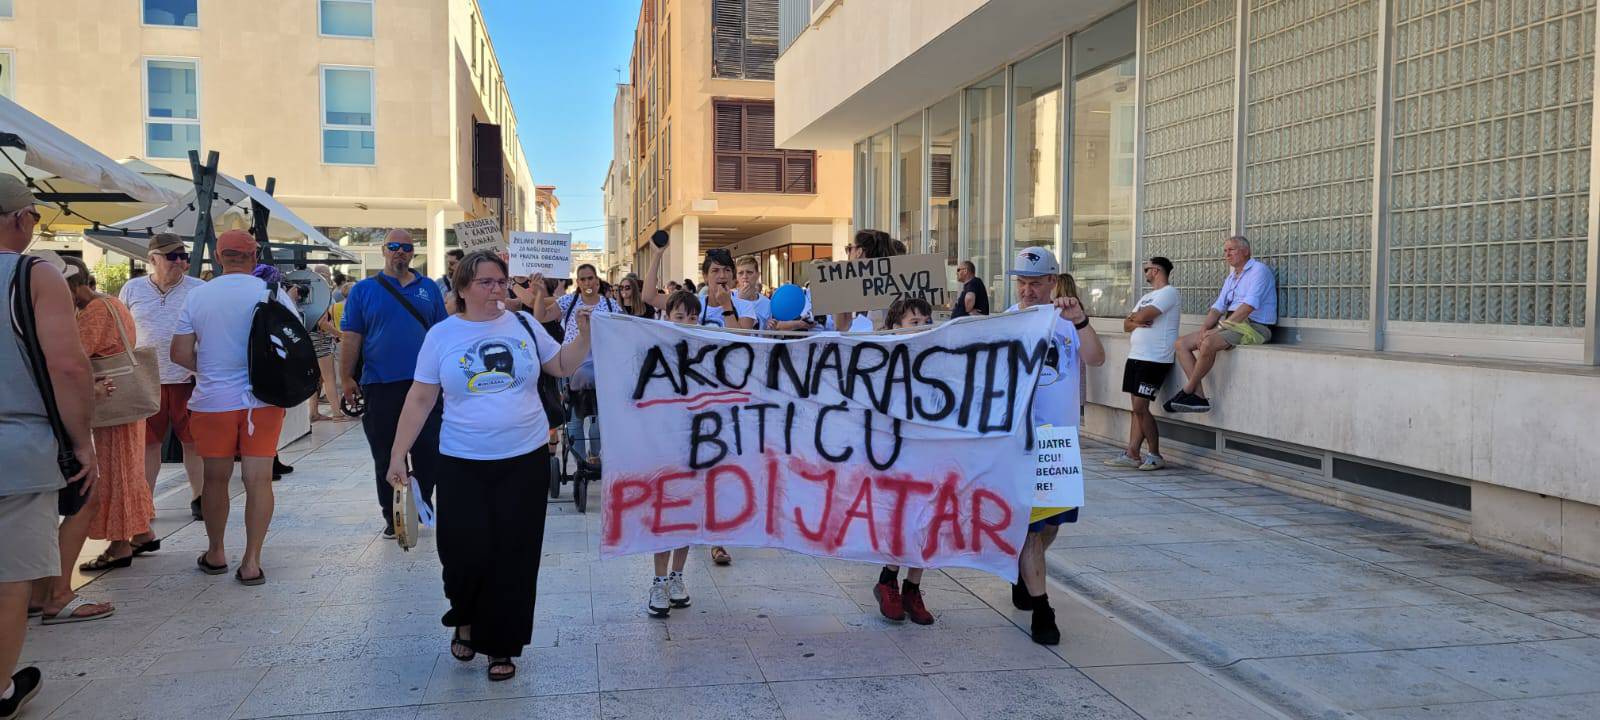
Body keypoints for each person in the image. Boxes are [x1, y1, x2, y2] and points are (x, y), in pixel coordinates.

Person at [387, 250, 592, 682]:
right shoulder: (442, 336)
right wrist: (397, 454)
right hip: (462, 460)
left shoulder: (523, 324)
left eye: (501, 281)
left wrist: (585, 339)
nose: (497, 289)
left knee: (515, 553)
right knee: (462, 551)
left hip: (525, 458)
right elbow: (421, 398)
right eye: (486, 282)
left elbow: (560, 366)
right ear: (462, 288)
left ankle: (503, 643)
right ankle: (465, 617)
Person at [0, 177, 98, 718]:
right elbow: (66, 364)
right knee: (10, 575)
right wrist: (80, 442)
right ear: (21, 219)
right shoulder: (32, 273)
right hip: (15, 445)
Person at [170, 230, 296, 586]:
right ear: (254, 256)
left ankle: (216, 552)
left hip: (212, 402)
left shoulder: (198, 296)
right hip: (263, 401)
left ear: (219, 256)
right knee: (258, 480)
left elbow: (178, 354)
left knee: (215, 478)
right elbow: (292, 343)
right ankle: (252, 561)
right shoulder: (271, 293)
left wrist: (209, 367)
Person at [1005, 247, 1105, 645]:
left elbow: (1096, 359)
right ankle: (1042, 609)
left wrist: (1080, 320)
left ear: (1051, 282)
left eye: (1034, 283)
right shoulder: (1007, 321)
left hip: (1060, 442)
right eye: (1021, 283)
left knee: (1051, 527)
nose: (1027, 291)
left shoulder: (1068, 322)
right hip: (1021, 440)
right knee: (1032, 529)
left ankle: (1021, 569)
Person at [640, 245, 755, 566]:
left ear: (733, 275)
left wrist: (727, 306)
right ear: (705, 275)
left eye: (726, 271)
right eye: (714, 271)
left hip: (724, 403)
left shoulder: (746, 306)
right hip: (685, 403)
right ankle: (683, 529)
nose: (721, 276)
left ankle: (717, 539)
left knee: (719, 472)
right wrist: (659, 255)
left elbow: (742, 340)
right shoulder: (692, 305)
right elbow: (649, 296)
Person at [339, 230, 448, 538]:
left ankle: (419, 501)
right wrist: (346, 377)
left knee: (429, 450)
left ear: (413, 253)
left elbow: (442, 334)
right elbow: (351, 337)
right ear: (383, 251)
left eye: (406, 248)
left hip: (425, 386)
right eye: (394, 247)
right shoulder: (363, 290)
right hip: (381, 384)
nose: (400, 252)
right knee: (386, 453)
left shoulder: (428, 288)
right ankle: (393, 515)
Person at [60, 257, 157, 577]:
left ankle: (119, 545)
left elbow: (74, 354)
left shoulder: (94, 312)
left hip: (111, 399)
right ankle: (141, 532)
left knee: (114, 470)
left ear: (72, 286)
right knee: (128, 467)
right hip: (126, 398)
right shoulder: (111, 302)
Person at [119, 234, 207, 521]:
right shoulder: (132, 289)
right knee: (147, 444)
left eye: (183, 255)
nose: (180, 261)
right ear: (153, 259)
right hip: (146, 380)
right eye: (173, 257)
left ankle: (200, 498)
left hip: (187, 379)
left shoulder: (198, 289)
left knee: (193, 442)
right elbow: (121, 333)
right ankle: (145, 504)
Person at [871, 296, 938, 625]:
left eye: (927, 320)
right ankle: (888, 579)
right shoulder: (881, 361)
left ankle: (913, 587)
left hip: (929, 454)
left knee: (925, 522)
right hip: (895, 457)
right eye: (914, 322)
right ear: (894, 328)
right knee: (902, 522)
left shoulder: (938, 359)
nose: (922, 326)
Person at [1167, 236, 1276, 413]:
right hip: (1232, 323)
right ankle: (1199, 396)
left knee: (1209, 343)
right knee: (1181, 344)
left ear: (1246, 251)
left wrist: (1219, 329)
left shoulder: (1259, 271)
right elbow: (1218, 307)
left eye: (1231, 250)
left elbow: (1248, 307)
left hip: (1256, 326)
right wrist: (1204, 329)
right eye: (1225, 251)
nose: (1227, 254)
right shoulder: (1232, 277)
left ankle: (1188, 390)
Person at [646, 290, 703, 617]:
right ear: (667, 316)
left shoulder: (708, 348)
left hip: (696, 446)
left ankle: (677, 577)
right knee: (663, 515)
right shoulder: (653, 349)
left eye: (692, 317)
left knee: (686, 515)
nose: (686, 323)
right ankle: (657, 581)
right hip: (661, 448)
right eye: (679, 316)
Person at [1108, 257, 1181, 472]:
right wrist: (1135, 320)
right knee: (1136, 409)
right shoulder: (1146, 296)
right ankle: (1132, 453)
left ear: (1157, 270)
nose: (1145, 272)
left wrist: (1136, 319)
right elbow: (1126, 324)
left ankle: (1155, 454)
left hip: (1155, 358)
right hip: (1136, 356)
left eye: (1147, 269)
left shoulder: (1169, 293)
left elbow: (1141, 316)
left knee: (1141, 407)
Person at [734, 255, 771, 329]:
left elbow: (767, 333)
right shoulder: (729, 298)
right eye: (740, 273)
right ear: (736, 276)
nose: (745, 276)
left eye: (749, 272)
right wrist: (740, 300)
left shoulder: (766, 303)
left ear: (757, 275)